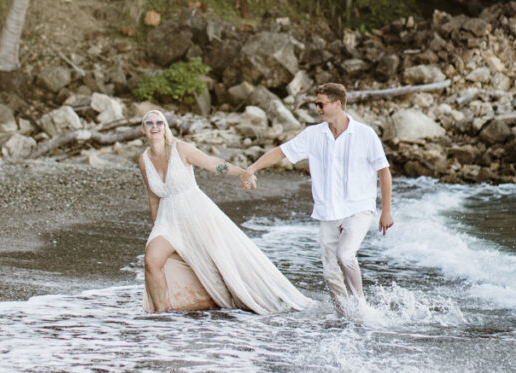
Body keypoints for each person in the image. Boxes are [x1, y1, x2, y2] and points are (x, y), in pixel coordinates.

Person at [138, 109, 312, 314]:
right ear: (143, 129)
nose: (155, 127)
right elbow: (153, 197)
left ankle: (238, 298)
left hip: (195, 213)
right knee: (152, 260)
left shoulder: (180, 148)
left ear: (165, 127)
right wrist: (156, 226)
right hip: (167, 221)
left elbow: (213, 164)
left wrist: (242, 173)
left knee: (219, 265)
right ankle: (160, 313)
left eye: (159, 122)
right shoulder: (144, 159)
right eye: (150, 123)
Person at [240, 82, 393, 312]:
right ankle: (345, 316)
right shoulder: (313, 134)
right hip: (328, 210)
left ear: (337, 104)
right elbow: (282, 152)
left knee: (345, 255)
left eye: (321, 104)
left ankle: (361, 308)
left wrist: (386, 211)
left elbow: (384, 172)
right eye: (316, 104)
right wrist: (252, 168)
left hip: (359, 207)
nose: (317, 109)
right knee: (331, 274)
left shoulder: (365, 134)